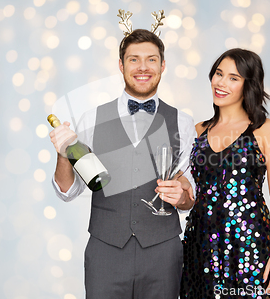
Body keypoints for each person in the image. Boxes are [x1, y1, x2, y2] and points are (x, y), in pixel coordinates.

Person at [49, 28, 196, 299]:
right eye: (133, 59)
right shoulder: (91, 119)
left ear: (163, 65)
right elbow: (68, 191)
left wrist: (182, 198)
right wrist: (62, 155)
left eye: (151, 59)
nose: (143, 67)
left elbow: (190, 196)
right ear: (121, 65)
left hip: (163, 253)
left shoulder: (183, 123)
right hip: (106, 252)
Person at [180, 48, 270, 298]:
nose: (221, 83)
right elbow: (188, 186)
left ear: (248, 85)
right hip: (201, 244)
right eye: (219, 74)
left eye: (233, 78)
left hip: (249, 244)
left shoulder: (266, 130)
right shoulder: (197, 130)